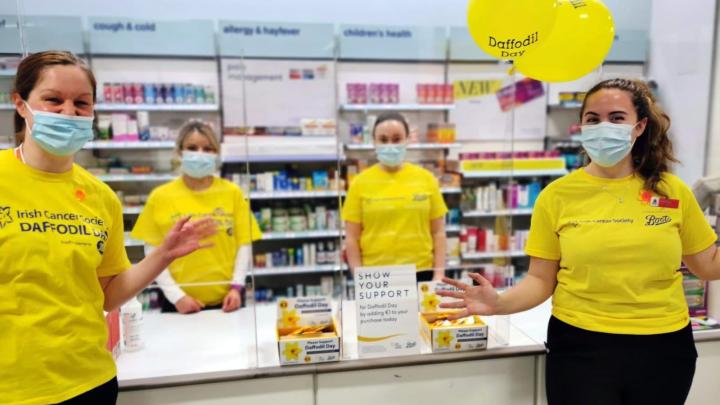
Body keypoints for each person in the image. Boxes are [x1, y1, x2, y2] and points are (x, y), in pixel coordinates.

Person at [438, 78, 720, 404]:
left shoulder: (672, 191)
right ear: (581, 126)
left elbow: (708, 265)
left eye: (616, 118)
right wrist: (499, 303)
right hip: (581, 347)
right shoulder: (556, 196)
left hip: (664, 347)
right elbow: (540, 280)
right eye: (593, 119)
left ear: (640, 126)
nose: (604, 126)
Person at [0, 50, 215, 405]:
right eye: (53, 100)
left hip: (90, 381)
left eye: (81, 103)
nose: (68, 112)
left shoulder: (101, 198)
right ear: (21, 104)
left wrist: (163, 255)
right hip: (12, 388)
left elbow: (108, 294)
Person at [131, 120, 262, 314]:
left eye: (208, 149)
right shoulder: (161, 196)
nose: (200, 154)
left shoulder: (232, 192)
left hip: (228, 300)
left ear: (216, 154)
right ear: (180, 152)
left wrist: (236, 287)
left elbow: (244, 243)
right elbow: (153, 250)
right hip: (178, 303)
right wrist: (177, 296)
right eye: (192, 148)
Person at [343, 112, 448, 281]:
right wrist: (359, 277)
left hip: (422, 273)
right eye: (383, 140)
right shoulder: (359, 183)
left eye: (397, 139)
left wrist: (439, 274)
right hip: (376, 277)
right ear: (374, 142)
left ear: (407, 139)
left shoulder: (427, 179)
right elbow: (352, 238)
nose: (390, 145)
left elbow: (438, 232)